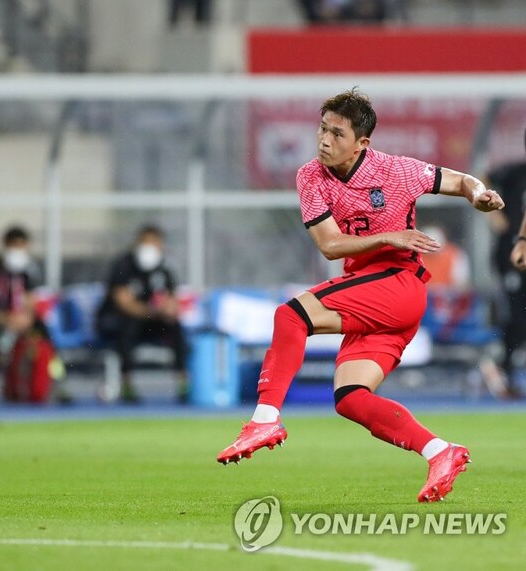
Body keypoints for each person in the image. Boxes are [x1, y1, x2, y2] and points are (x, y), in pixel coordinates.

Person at [216, 89, 504, 503]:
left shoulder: (398, 171)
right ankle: (440, 452)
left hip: (397, 283)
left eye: (337, 133)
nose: (324, 140)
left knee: (291, 316)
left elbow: (459, 180)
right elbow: (330, 246)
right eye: (322, 129)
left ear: (362, 143)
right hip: (375, 297)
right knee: (351, 398)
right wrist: (391, 234)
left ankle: (264, 418)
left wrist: (477, 194)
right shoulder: (310, 176)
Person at [96, 225, 189, 403]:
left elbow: (172, 299)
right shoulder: (123, 265)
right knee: (128, 325)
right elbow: (123, 302)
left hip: (152, 321)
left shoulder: (164, 268)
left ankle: (183, 380)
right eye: (145, 242)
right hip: (122, 320)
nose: (150, 247)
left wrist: (168, 309)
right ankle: (127, 383)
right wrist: (153, 311)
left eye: (154, 242)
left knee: (174, 326)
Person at [0, 225, 69, 404]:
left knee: (46, 335)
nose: (18, 251)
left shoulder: (31, 270)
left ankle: (56, 379)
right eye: (14, 246)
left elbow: (34, 301)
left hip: (23, 322)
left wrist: (26, 317)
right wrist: (4, 318)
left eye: (21, 246)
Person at [486, 130, 526, 399]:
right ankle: (502, 366)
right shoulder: (516, 172)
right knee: (519, 315)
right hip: (510, 254)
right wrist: (495, 216)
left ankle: (501, 363)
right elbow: (482, 177)